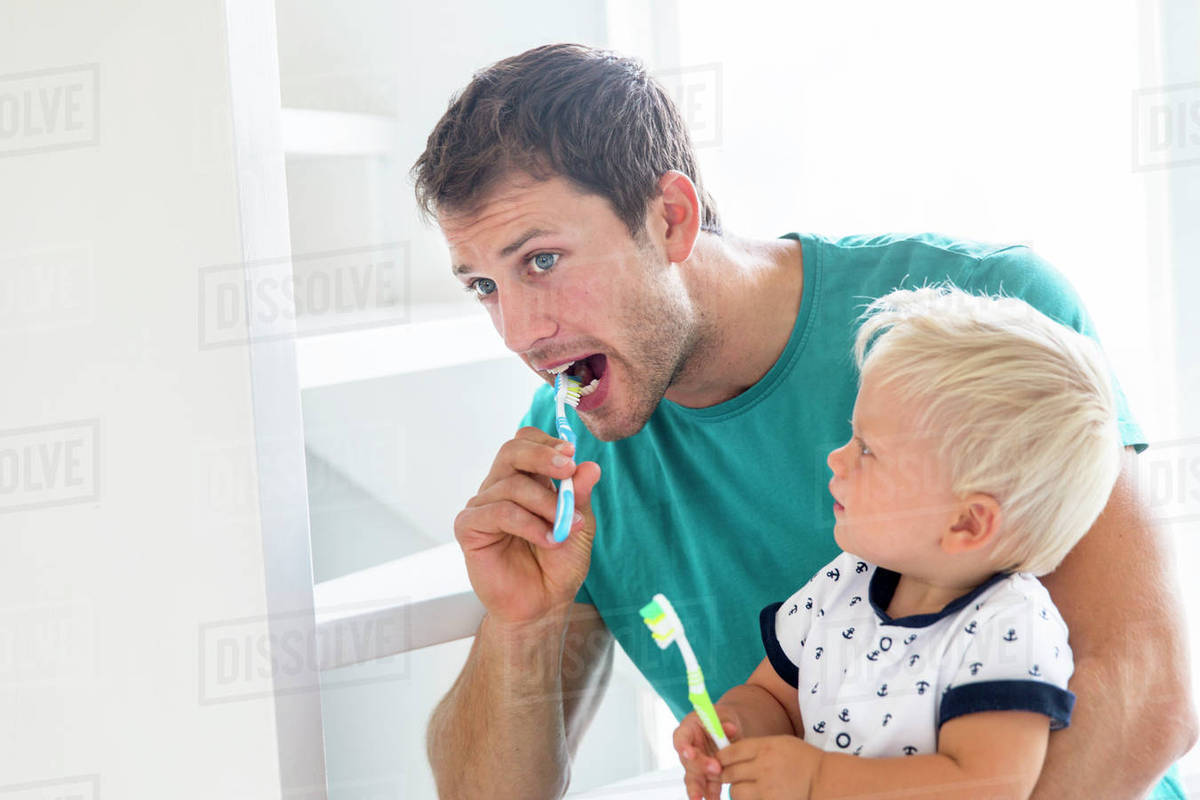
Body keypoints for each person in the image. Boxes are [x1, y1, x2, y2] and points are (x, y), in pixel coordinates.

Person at [413, 43, 1196, 800]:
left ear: (670, 220)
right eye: (483, 284)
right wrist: (523, 624)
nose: (517, 333)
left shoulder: (981, 319)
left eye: (541, 261)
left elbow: (1148, 692)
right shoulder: (568, 463)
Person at [673, 285, 1122, 800]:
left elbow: (984, 784)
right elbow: (774, 699)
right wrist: (733, 727)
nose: (836, 459)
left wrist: (819, 780)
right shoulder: (846, 582)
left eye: (867, 451)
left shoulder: (1007, 627)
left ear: (967, 524)